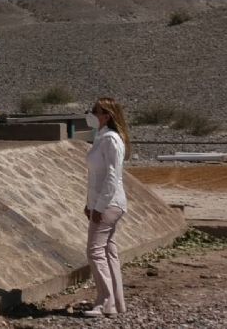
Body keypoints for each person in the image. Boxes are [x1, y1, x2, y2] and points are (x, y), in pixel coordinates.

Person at [82, 97, 131, 318]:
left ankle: (105, 302)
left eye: (95, 110)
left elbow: (112, 176)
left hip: (109, 204)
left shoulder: (111, 139)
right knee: (109, 251)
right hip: (104, 203)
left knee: (94, 251)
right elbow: (95, 177)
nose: (91, 114)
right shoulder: (101, 137)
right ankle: (117, 303)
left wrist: (99, 207)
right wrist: (89, 204)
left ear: (106, 116)